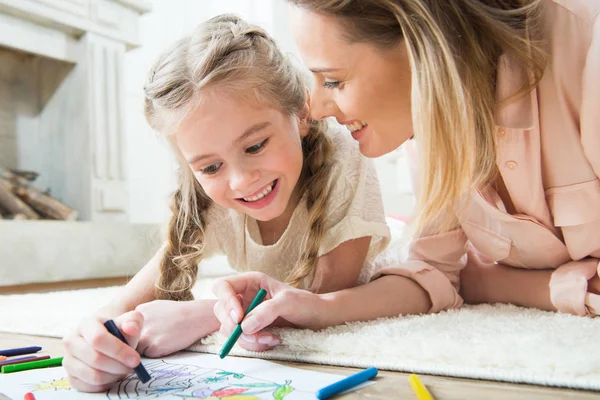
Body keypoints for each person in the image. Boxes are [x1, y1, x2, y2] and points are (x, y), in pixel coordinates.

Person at [212, 0, 600, 352]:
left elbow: (468, 279)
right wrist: (315, 307)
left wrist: (495, 282)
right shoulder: (430, 120)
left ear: (423, 44)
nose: (315, 109)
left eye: (333, 80)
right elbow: (439, 276)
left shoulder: (587, 51)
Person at [61, 14, 391, 392]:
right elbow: (123, 304)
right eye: (211, 166)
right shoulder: (212, 197)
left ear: (301, 112)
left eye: (255, 146)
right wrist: (92, 338)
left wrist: (200, 315)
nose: (240, 180)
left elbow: (319, 300)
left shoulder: (345, 159)